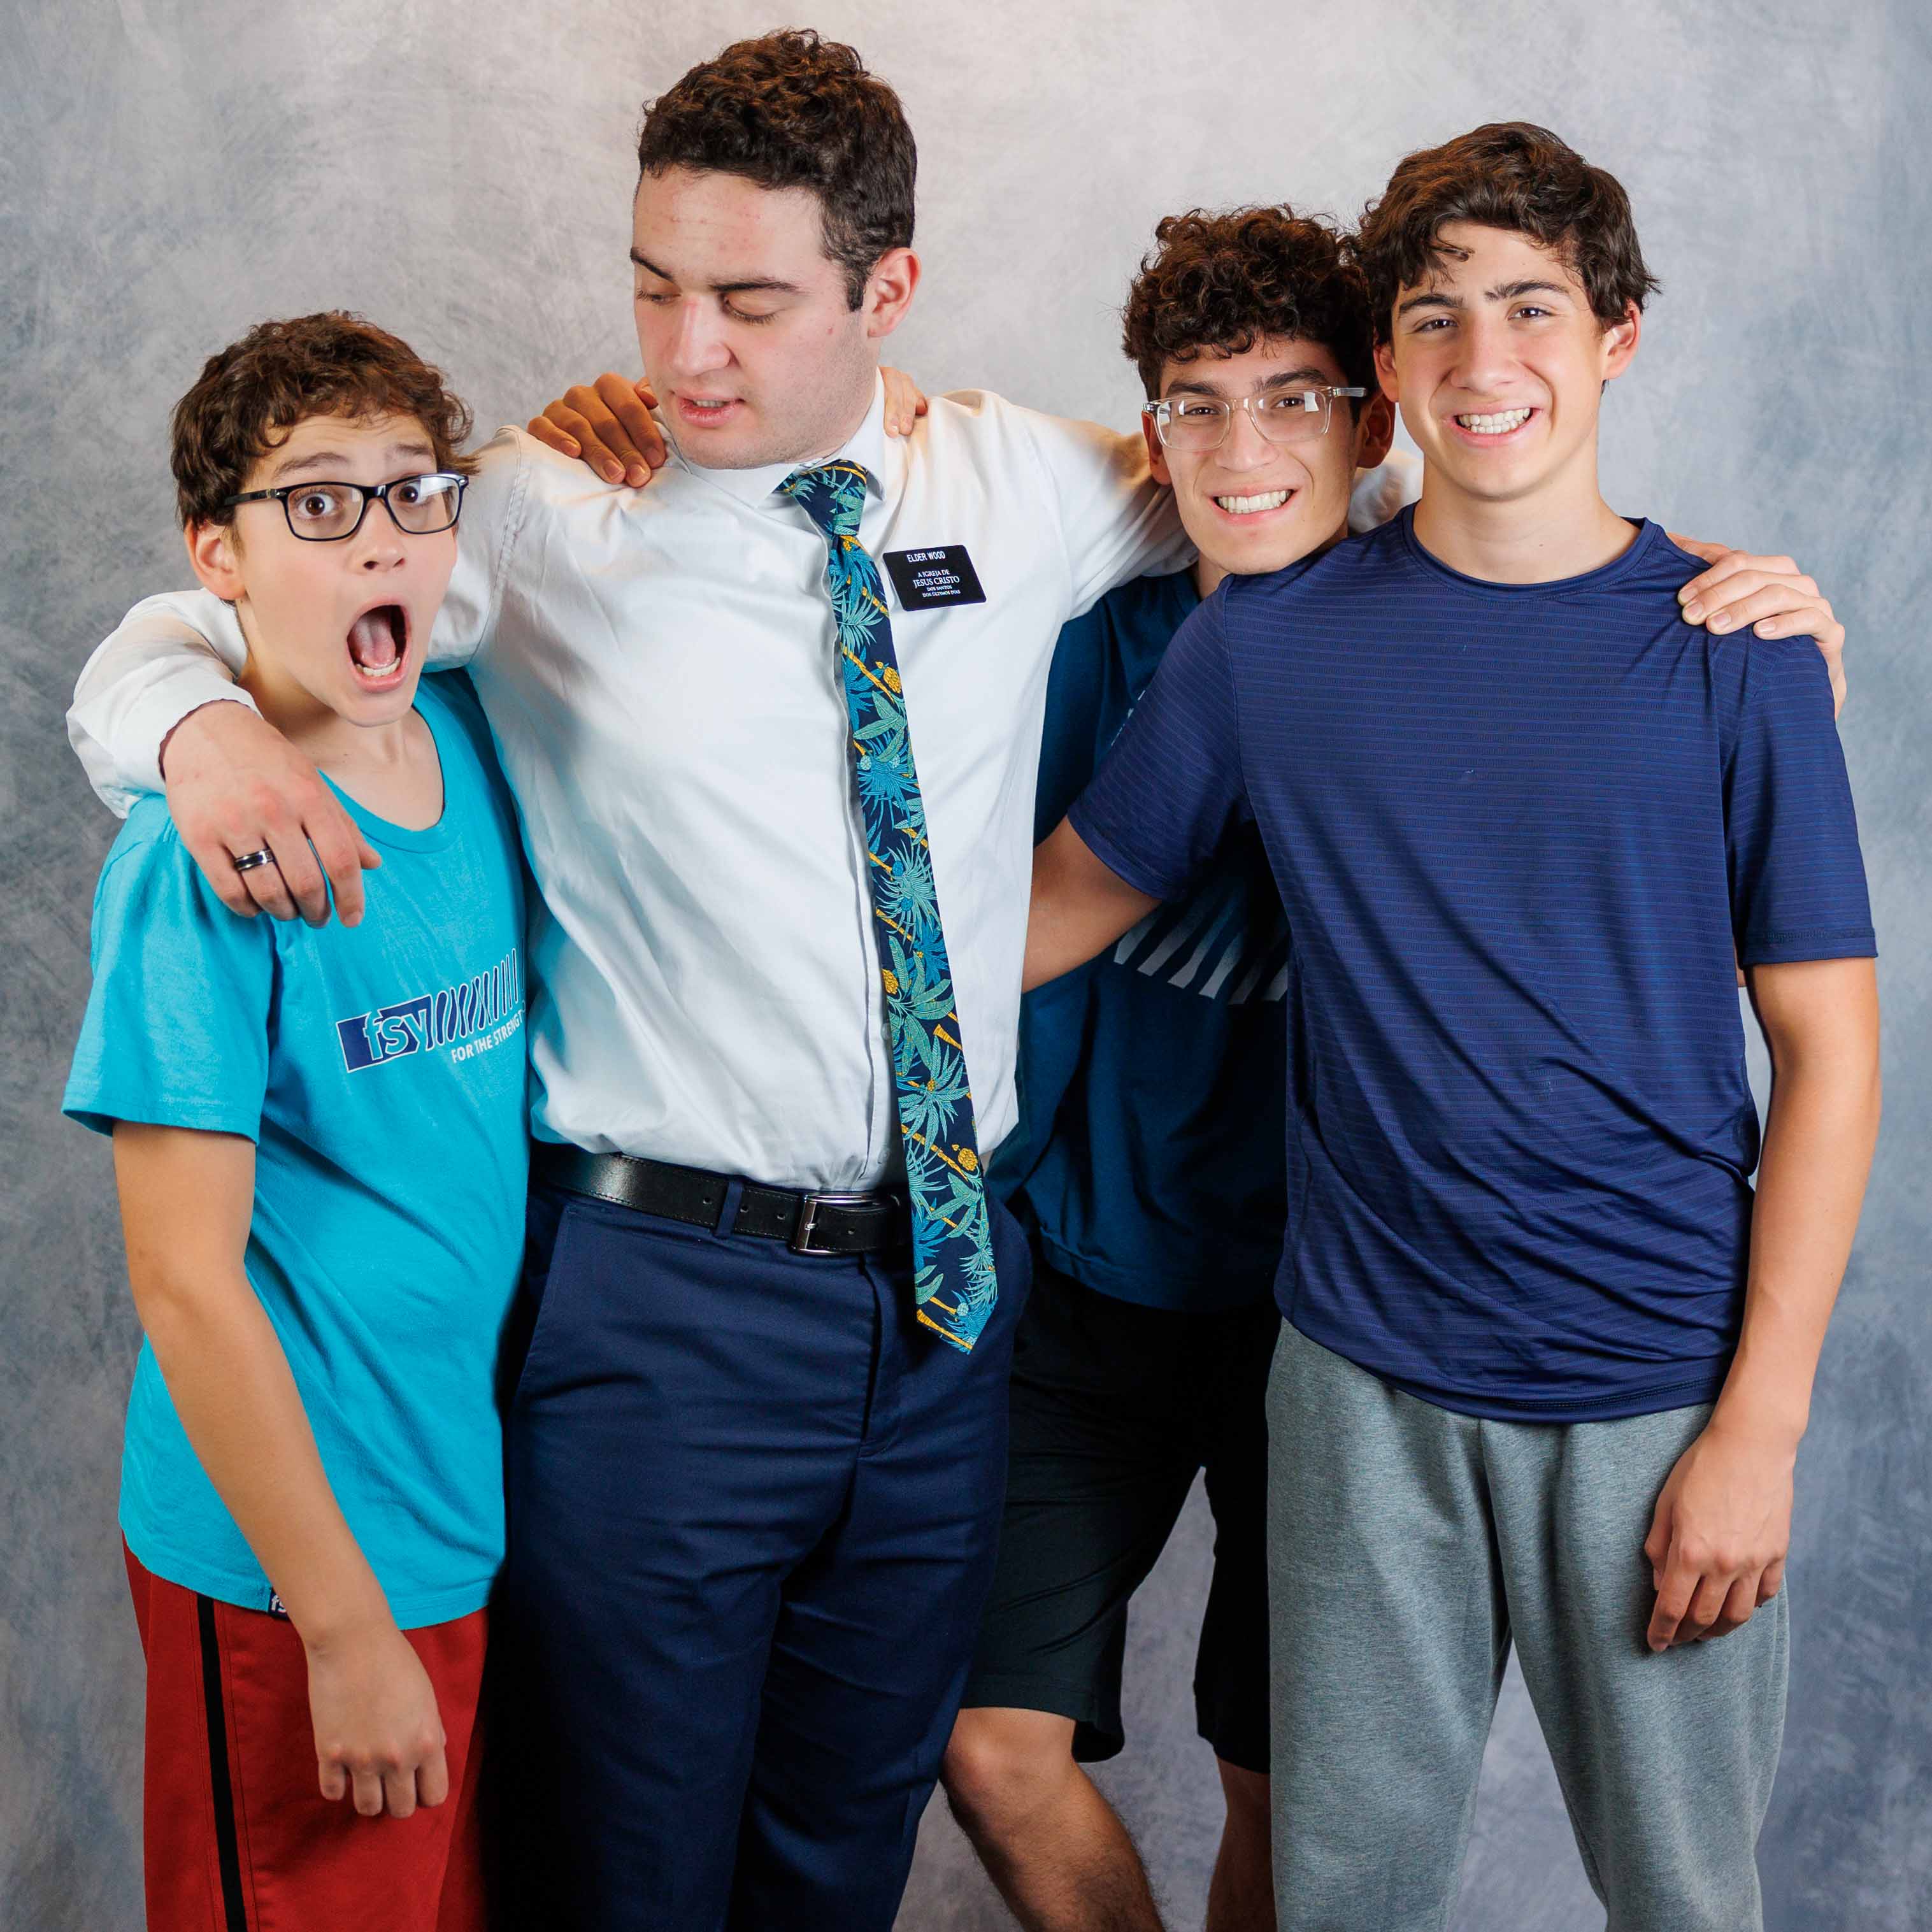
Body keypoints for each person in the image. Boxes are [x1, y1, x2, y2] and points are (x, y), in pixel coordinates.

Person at [68, 33, 1849, 1922]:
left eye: (752, 301)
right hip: (664, 1292)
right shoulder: (533, 513)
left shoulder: (1025, 481)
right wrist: (189, 724)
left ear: (885, 289)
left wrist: (1687, 586)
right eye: (657, 291)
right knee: (621, 1867)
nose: (685, 355)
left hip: (941, 1294)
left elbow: (1316, 487)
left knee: (839, 1852)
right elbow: (234, 601)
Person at [1022, 123, 1880, 1932]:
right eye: (1435, 317)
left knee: (1685, 1899)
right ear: (1388, 370)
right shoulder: (1265, 647)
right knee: (1345, 1898)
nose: (1485, 359)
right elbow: (1035, 917)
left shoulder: (1735, 649)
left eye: (1531, 308)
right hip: (1358, 1384)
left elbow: (1829, 1055)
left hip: (1656, 1383)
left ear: (1618, 334)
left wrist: (1760, 1426)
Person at [61, 312, 528, 1931]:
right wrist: (339, 1622)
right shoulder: (197, 867)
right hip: (294, 1562)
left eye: (411, 491)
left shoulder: (468, 740)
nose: (378, 537)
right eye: (318, 503)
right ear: (222, 559)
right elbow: (184, 1281)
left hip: (452, 1507)